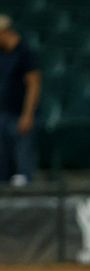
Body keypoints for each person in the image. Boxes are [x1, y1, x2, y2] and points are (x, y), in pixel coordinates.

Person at [0, 15, 41, 185]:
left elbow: (34, 84)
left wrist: (28, 114)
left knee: (23, 165)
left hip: (20, 114)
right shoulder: (1, 54)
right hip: (3, 113)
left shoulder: (25, 52)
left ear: (4, 32)